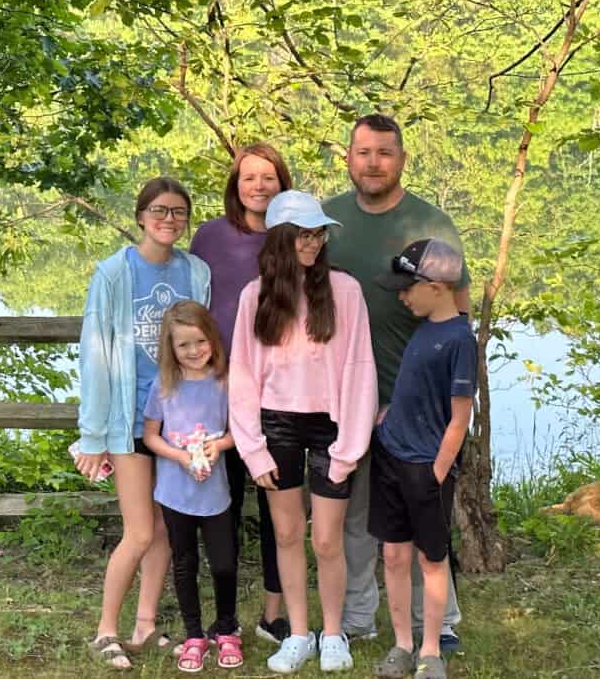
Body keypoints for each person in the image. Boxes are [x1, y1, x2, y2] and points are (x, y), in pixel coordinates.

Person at [324, 114, 471, 652]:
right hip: (346, 398)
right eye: (363, 152)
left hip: (415, 408)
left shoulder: (429, 223)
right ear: (348, 157)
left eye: (384, 152)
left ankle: (442, 621)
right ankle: (360, 617)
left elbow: (458, 313)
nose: (373, 163)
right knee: (358, 517)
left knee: (423, 514)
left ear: (402, 158)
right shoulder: (329, 219)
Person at [229, 190, 378, 673]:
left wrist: (349, 446)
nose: (313, 242)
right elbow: (244, 376)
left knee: (327, 540)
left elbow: (360, 370)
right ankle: (297, 633)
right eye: (304, 234)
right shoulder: (256, 296)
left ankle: (332, 634)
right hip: (277, 426)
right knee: (288, 534)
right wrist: (253, 450)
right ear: (280, 239)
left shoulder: (344, 292)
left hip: (331, 427)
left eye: (318, 233)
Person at [74, 177, 211, 670]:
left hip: (179, 423)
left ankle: (146, 625)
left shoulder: (196, 272)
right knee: (138, 531)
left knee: (167, 530)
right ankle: (106, 630)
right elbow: (94, 353)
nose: (168, 219)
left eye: (178, 211)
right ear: (140, 215)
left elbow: (202, 348)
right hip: (128, 419)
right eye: (159, 209)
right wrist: (93, 436)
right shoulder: (113, 273)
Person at [189, 143, 293, 645]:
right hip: (218, 392)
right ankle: (223, 616)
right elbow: (191, 312)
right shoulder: (209, 237)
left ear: (281, 183)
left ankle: (275, 612)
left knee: (278, 506)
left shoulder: (295, 237)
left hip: (279, 395)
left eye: (268, 177)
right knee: (220, 508)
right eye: (249, 177)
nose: (258, 186)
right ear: (235, 184)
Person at [369, 239, 475, 679]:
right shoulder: (424, 326)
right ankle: (402, 644)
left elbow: (459, 417)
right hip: (390, 455)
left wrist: (437, 471)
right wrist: (388, 417)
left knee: (431, 559)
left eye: (407, 288)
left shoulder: (458, 339)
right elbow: (415, 387)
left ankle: (430, 650)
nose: (400, 295)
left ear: (435, 286)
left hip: (425, 467)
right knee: (393, 556)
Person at [142, 301, 242, 672]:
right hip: (174, 492)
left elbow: (238, 432)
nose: (194, 351)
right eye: (183, 345)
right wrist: (181, 457)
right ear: (171, 349)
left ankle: (227, 628)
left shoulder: (225, 382)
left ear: (212, 340)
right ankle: (195, 635)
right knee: (185, 563)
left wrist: (217, 446)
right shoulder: (164, 384)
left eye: (200, 341)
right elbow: (151, 436)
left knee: (224, 563)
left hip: (215, 494)